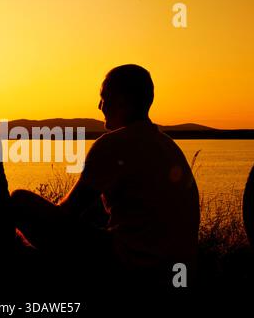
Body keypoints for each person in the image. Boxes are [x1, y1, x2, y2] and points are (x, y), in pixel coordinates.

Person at [11, 64, 200, 289]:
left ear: (121, 100)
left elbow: (66, 213)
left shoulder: (113, 144)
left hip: (134, 267)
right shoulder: (167, 145)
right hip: (178, 270)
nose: (99, 105)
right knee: (96, 212)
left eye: (103, 97)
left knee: (19, 200)